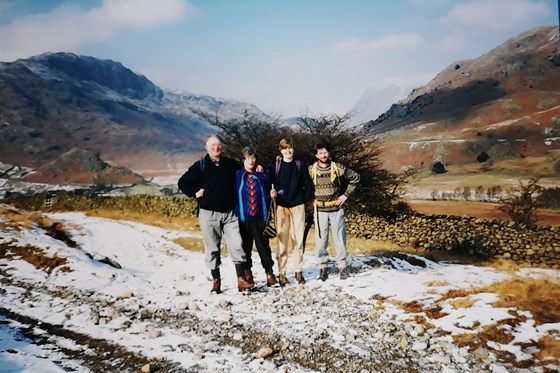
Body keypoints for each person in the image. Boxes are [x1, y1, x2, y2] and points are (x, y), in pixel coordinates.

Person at [177, 134, 254, 294]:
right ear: (207, 148)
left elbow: (245, 170)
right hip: (208, 214)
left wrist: (258, 168)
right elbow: (183, 182)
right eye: (212, 146)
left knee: (236, 244)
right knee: (212, 248)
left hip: (229, 213)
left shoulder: (230, 164)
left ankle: (241, 278)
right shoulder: (200, 166)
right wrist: (194, 192)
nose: (216, 148)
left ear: (222, 147)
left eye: (218, 145)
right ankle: (216, 280)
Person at [309, 142, 360, 281]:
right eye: (320, 153)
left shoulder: (337, 167)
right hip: (320, 210)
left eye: (325, 152)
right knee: (321, 240)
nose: (323, 155)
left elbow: (355, 177)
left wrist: (345, 195)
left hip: (336, 209)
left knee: (339, 238)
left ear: (328, 153)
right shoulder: (311, 169)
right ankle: (323, 268)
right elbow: (304, 185)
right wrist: (310, 199)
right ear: (316, 155)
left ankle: (343, 267)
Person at [270, 138, 314, 286]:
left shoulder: (300, 165)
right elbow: (268, 184)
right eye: (285, 149)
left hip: (297, 207)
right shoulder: (275, 166)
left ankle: (298, 271)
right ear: (280, 150)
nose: (288, 151)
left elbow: (308, 186)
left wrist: (302, 199)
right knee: (282, 241)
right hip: (281, 208)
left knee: (298, 239)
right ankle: (282, 273)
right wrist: (273, 194)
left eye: (290, 148)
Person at [235, 146, 279, 287]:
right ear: (243, 160)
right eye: (248, 158)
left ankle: (269, 273)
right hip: (243, 220)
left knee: (263, 247)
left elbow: (270, 186)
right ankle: (248, 274)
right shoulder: (237, 176)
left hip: (260, 219)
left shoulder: (263, 176)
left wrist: (271, 195)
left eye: (253, 158)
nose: (251, 161)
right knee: (245, 248)